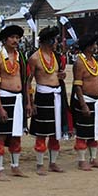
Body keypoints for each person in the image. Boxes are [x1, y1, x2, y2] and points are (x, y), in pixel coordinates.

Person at [27, 27, 69, 174]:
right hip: (43, 96)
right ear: (48, 41)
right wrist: (30, 102)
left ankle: (53, 162)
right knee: (42, 132)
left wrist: (61, 76)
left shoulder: (56, 57)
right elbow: (28, 82)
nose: (57, 42)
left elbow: (57, 74)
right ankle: (39, 164)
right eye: (55, 40)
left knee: (55, 131)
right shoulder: (34, 58)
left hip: (57, 95)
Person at [0, 25, 27, 180]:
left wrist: (28, 102)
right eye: (12, 37)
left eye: (17, 38)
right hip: (5, 99)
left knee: (16, 135)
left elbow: (25, 80)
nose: (15, 40)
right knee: (2, 135)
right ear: (4, 40)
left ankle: (15, 166)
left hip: (18, 99)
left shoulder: (20, 57)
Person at [71, 35, 98, 170]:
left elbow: (95, 78)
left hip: (97, 101)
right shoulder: (80, 62)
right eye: (94, 44)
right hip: (86, 101)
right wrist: (83, 104)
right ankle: (81, 160)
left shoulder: (93, 61)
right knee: (83, 132)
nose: (96, 47)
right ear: (88, 46)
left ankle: (93, 158)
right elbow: (78, 85)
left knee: (94, 131)